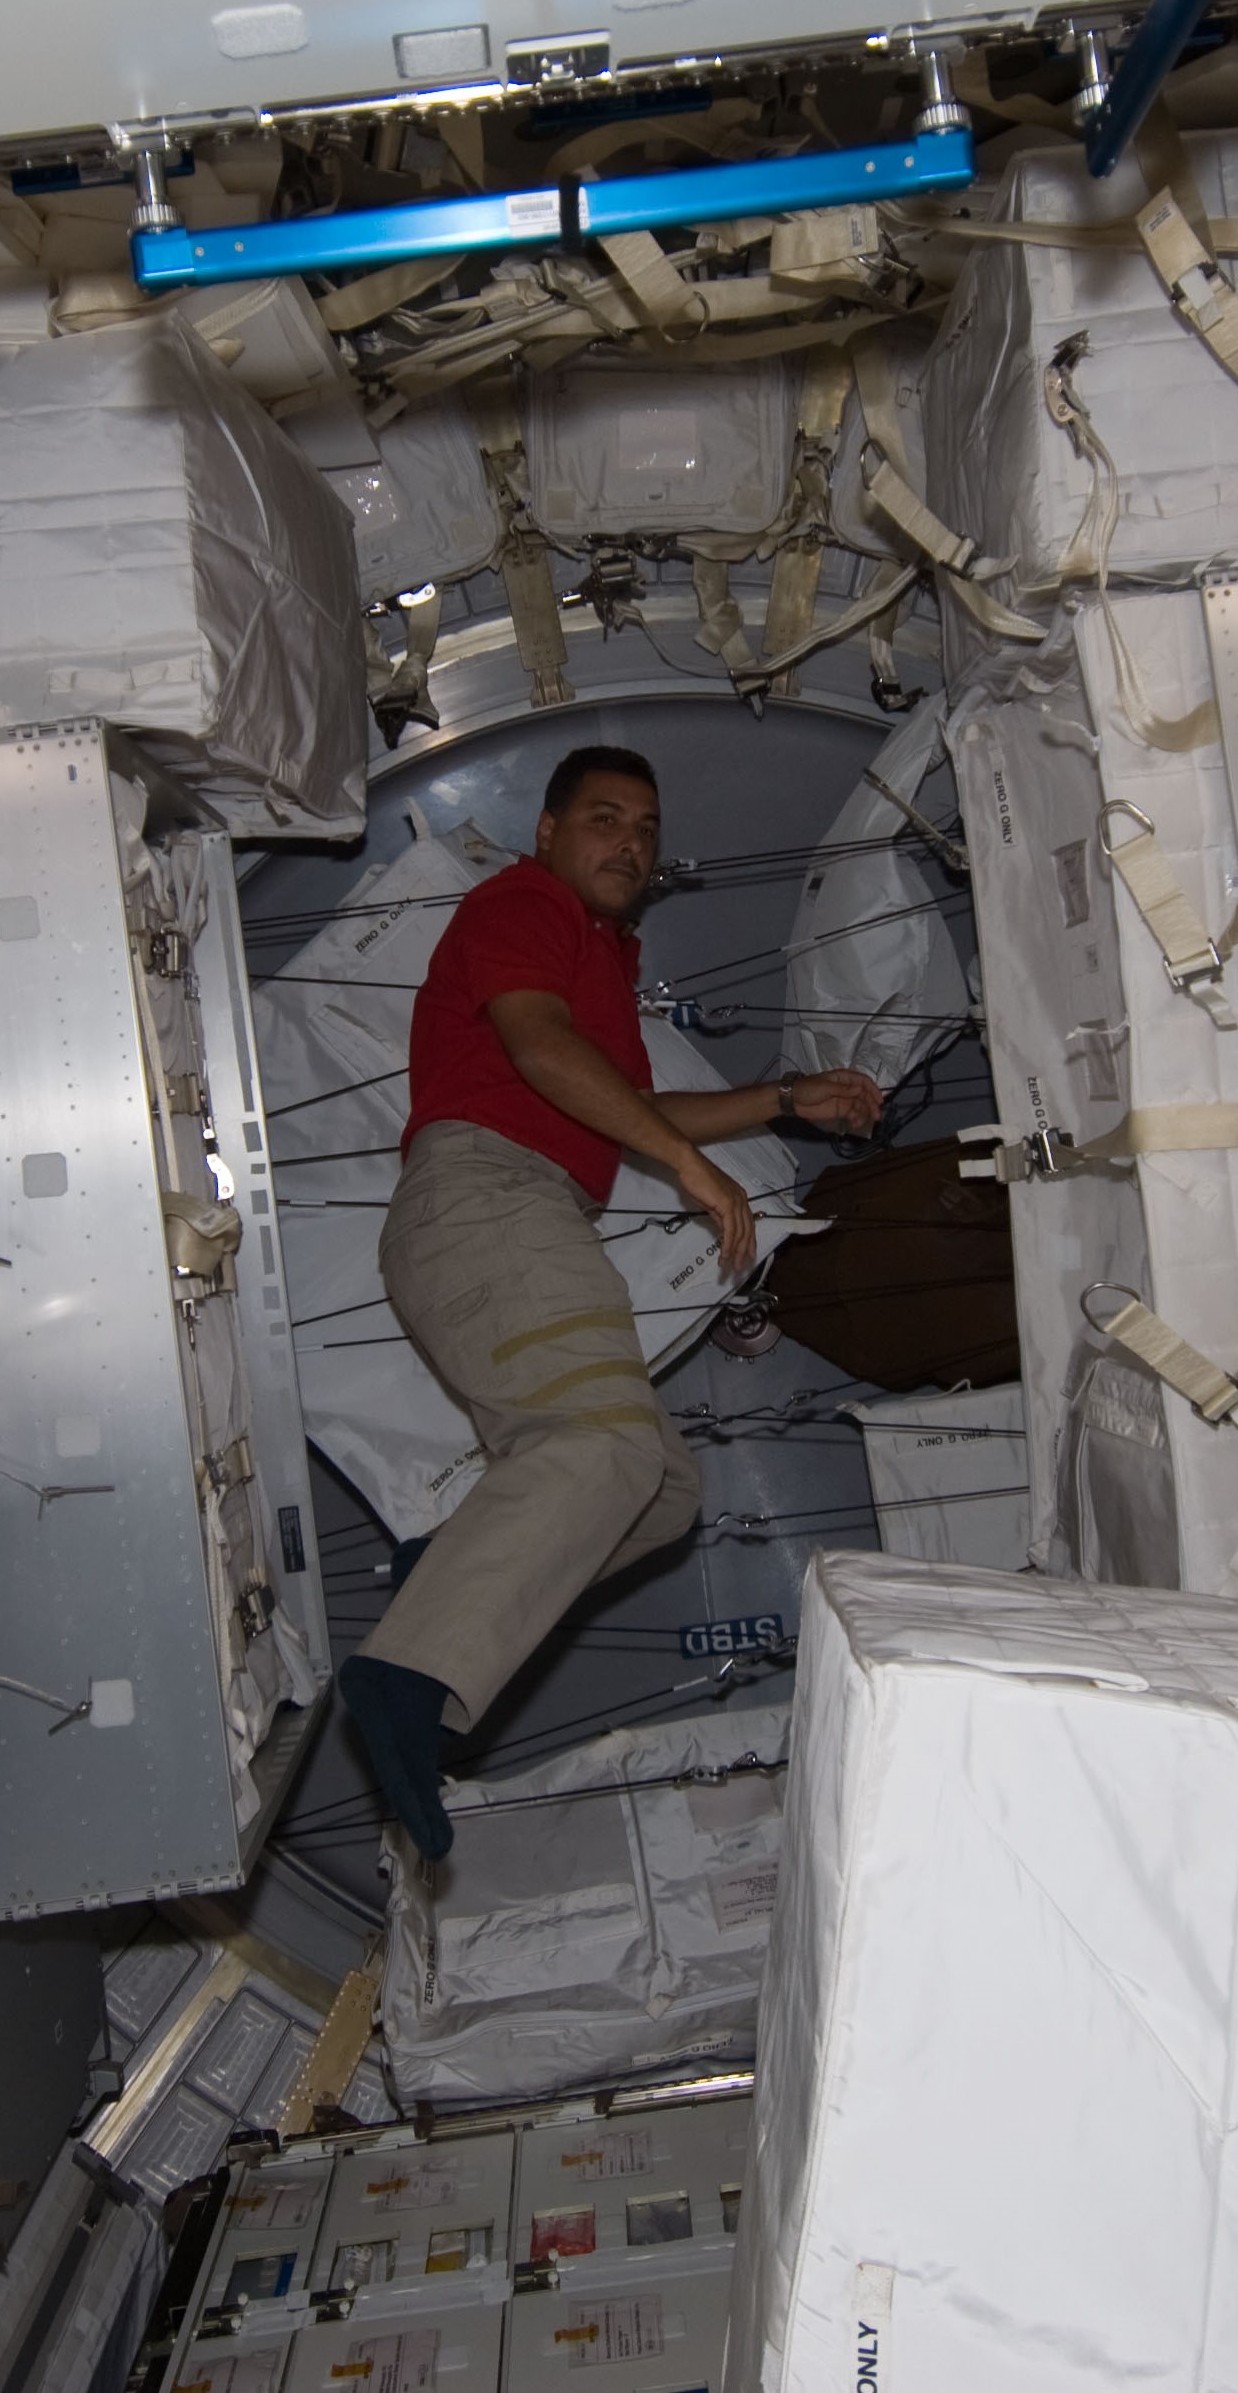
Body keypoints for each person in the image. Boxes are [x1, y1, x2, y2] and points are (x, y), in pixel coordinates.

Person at [338, 745, 884, 1858]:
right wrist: (689, 1169)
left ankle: (447, 1560)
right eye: (602, 819)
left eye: (643, 828)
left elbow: (626, 1101)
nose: (627, 844)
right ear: (546, 831)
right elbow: (539, 1051)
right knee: (596, 1450)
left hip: (517, 1211)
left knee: (661, 1492)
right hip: (486, 1198)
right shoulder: (521, 903)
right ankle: (403, 1679)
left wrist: (786, 1100)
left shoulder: (597, 952)